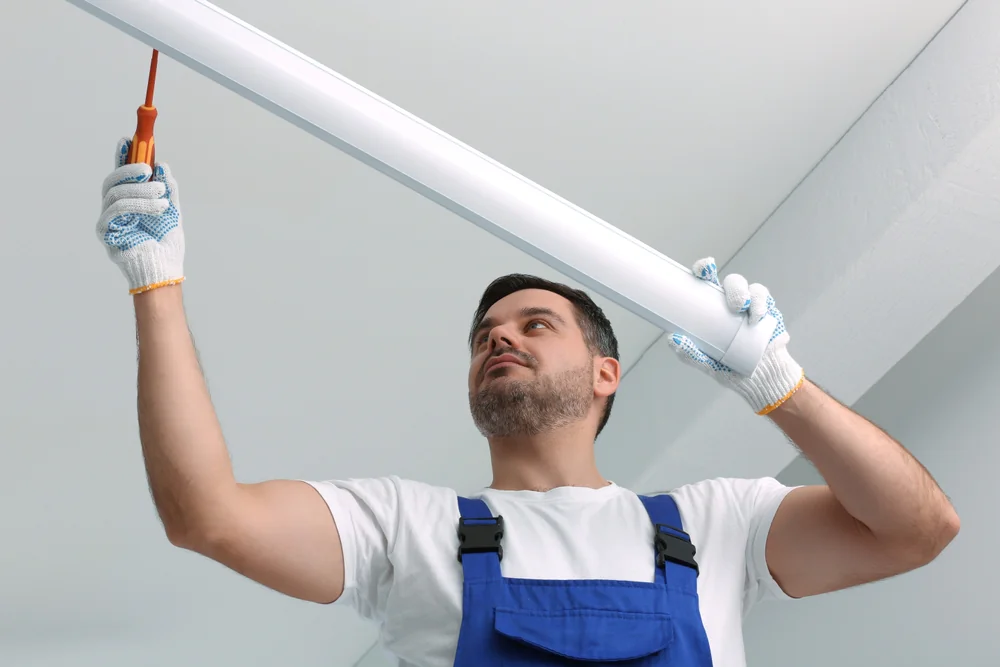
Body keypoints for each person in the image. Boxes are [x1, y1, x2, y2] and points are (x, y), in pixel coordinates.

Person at [96, 139, 959, 667]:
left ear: (606, 374)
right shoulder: (403, 526)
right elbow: (207, 516)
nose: (499, 339)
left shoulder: (715, 527)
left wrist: (777, 386)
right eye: (484, 336)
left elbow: (917, 528)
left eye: (535, 323)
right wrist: (156, 283)